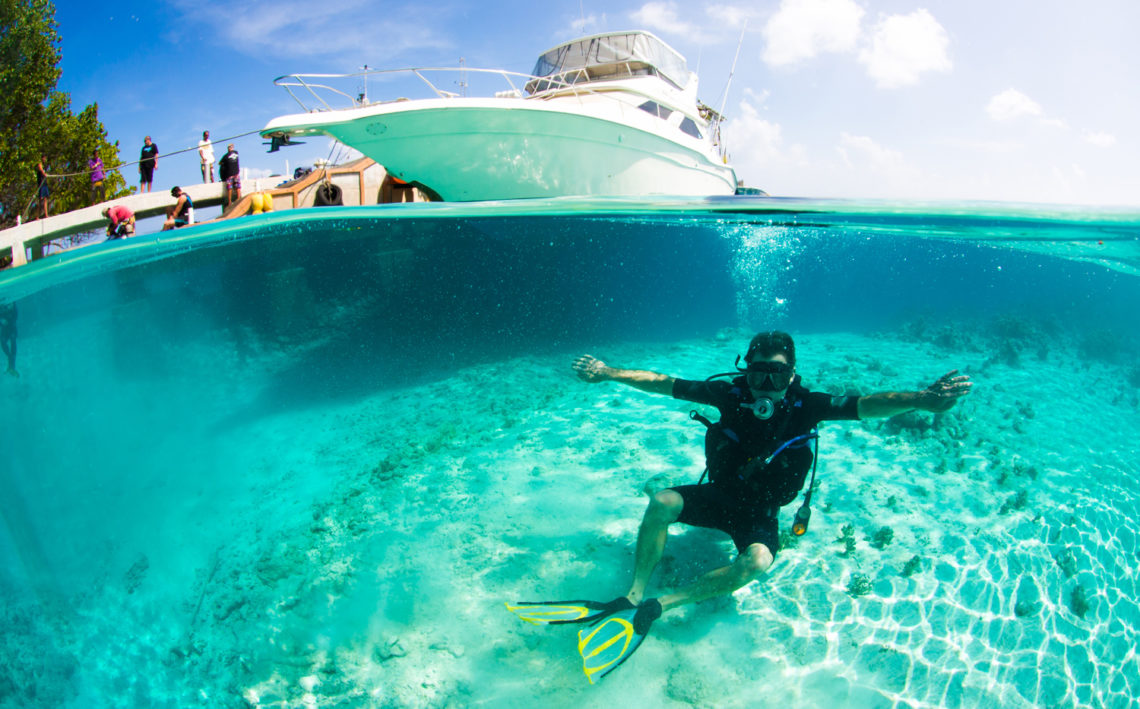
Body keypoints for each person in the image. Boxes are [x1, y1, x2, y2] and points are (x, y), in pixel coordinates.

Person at [508, 331, 972, 682]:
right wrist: (610, 372)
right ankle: (631, 593)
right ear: (745, 369)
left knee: (757, 561)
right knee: (662, 500)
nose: (765, 385)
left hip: (760, 514)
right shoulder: (728, 393)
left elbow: (869, 404)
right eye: (757, 373)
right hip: (723, 497)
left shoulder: (807, 404)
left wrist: (924, 402)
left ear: (791, 375)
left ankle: (658, 605)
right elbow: (664, 383)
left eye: (776, 374)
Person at [1, 303, 17, 378]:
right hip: (5, 330)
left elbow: (15, 317)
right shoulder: (2, 307)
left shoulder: (13, 308)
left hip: (12, 328)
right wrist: (1, 320)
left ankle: (12, 365)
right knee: (3, 342)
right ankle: (10, 361)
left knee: (13, 341)